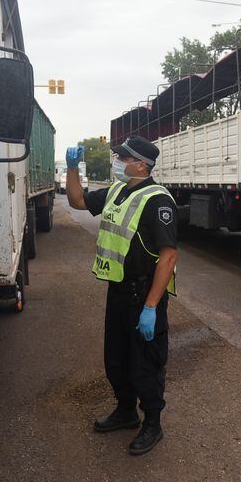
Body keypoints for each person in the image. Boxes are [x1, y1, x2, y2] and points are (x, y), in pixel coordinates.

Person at [65, 136, 178, 456]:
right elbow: (76, 201)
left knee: (146, 363)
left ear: (141, 164)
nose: (117, 161)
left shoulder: (158, 200)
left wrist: (152, 307)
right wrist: (72, 168)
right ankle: (126, 411)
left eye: (123, 158)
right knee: (116, 358)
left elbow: (169, 257)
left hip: (144, 296)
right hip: (118, 290)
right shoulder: (116, 191)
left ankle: (152, 423)